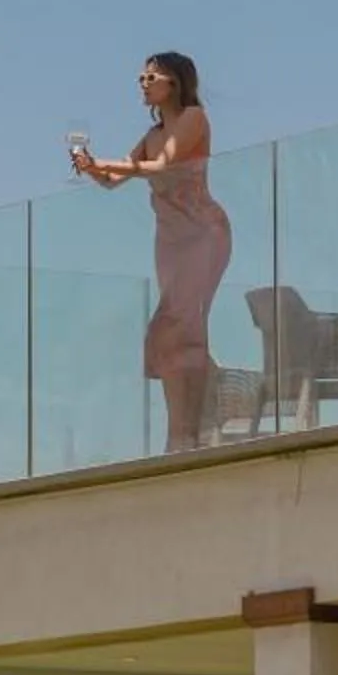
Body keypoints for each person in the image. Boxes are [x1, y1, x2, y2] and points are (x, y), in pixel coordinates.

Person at [72, 53, 232, 453]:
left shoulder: (193, 118)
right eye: (141, 77)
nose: (142, 83)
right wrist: (91, 168)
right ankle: (184, 429)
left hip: (202, 232)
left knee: (181, 324)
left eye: (151, 77)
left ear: (174, 82)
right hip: (170, 239)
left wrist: (102, 162)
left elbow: (162, 166)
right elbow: (115, 178)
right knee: (169, 333)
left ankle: (191, 429)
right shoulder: (151, 133)